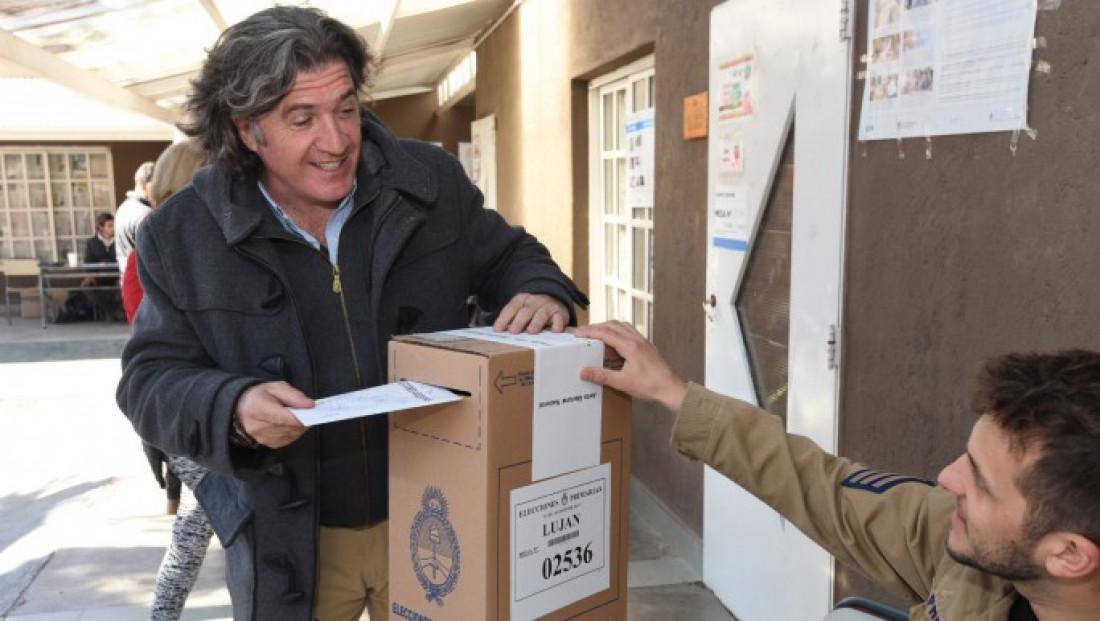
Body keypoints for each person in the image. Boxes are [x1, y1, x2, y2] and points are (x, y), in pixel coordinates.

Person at [116, 6, 586, 621]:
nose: (336, 140)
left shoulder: (429, 184)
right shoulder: (182, 237)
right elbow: (149, 382)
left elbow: (511, 254)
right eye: (301, 119)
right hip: (292, 539)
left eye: (345, 108)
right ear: (247, 130)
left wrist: (543, 291)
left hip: (436, 507)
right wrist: (230, 406)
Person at [576, 321, 1100, 621]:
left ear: (1070, 555)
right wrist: (674, 394)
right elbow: (823, 488)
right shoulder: (968, 557)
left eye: (980, 483)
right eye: (967, 457)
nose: (947, 478)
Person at [127, 139, 214, 621]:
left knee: (190, 534)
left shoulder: (163, 235)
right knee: (195, 534)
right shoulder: (167, 239)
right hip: (194, 408)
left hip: (191, 406)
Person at [114, 160, 155, 279]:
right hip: (143, 284)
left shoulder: (123, 208)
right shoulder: (145, 214)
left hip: (128, 279)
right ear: (149, 186)